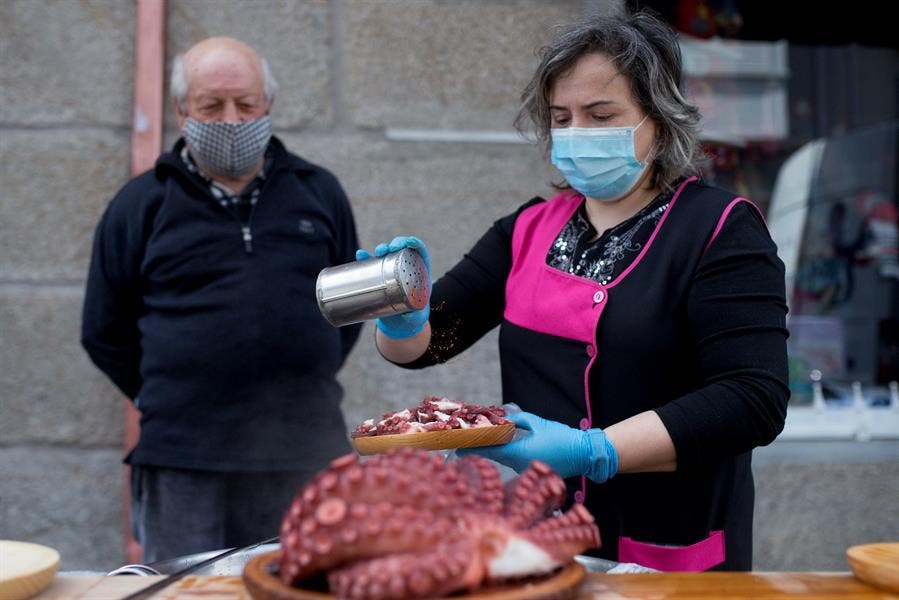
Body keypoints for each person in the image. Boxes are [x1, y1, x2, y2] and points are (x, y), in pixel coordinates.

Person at [361, 11, 788, 571]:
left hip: (668, 547)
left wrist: (597, 451)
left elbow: (752, 398)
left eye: (601, 115)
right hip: (542, 546)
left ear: (659, 122)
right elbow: (433, 340)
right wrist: (403, 314)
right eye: (562, 117)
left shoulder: (720, 230)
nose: (577, 132)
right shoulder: (527, 229)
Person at [81, 37, 362, 562]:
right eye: (212, 106)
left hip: (306, 454)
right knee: (187, 593)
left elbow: (344, 315)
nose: (231, 120)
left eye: (246, 104)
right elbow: (103, 329)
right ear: (181, 110)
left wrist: (295, 368)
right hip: (184, 462)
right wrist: (180, 392)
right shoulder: (139, 204)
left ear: (269, 104)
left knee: (314, 588)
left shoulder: (319, 193)